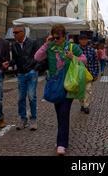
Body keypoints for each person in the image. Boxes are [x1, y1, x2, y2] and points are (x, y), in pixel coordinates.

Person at [34, 25, 86, 156]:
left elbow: (84, 60)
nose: (56, 39)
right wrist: (46, 44)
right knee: (60, 114)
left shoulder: (72, 47)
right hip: (55, 84)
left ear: (64, 36)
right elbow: (37, 57)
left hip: (68, 85)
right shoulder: (50, 47)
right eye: (54, 37)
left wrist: (72, 57)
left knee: (64, 113)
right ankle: (63, 141)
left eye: (58, 37)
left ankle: (61, 144)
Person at [10, 25, 41, 131]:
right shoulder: (14, 45)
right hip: (21, 74)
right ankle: (23, 119)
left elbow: (39, 57)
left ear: (23, 33)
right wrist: (9, 64)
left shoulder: (33, 42)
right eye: (14, 33)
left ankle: (33, 119)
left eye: (16, 32)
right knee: (21, 97)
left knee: (32, 96)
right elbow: (15, 59)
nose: (14, 34)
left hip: (31, 73)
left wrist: (35, 69)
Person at [78, 34, 100, 114]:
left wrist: (96, 73)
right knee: (80, 90)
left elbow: (95, 62)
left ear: (87, 40)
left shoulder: (91, 50)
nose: (83, 41)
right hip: (79, 74)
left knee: (88, 90)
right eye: (82, 39)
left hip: (89, 73)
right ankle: (82, 104)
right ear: (79, 40)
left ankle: (86, 106)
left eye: (85, 39)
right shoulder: (76, 49)